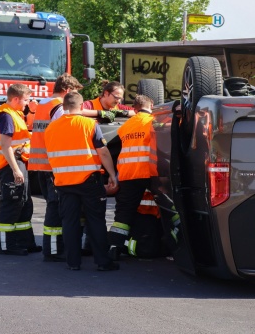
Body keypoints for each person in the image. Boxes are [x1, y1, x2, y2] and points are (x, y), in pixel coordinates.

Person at [44, 91, 119, 271]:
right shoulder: (88, 124)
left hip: (63, 181)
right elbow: (103, 152)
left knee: (69, 222)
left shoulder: (51, 128)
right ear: (82, 105)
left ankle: (73, 262)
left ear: (64, 106)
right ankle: (102, 261)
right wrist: (112, 175)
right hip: (88, 181)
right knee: (96, 220)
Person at [28, 74, 83, 262]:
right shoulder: (59, 107)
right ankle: (52, 250)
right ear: (67, 89)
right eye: (74, 92)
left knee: (52, 204)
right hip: (54, 165)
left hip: (40, 163)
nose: (74, 97)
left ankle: (52, 248)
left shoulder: (43, 104)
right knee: (55, 206)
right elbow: (67, 131)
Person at [107, 95, 158, 260]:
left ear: (134, 109)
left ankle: (114, 248)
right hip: (150, 172)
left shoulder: (125, 126)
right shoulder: (154, 121)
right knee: (170, 209)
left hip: (128, 174)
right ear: (151, 105)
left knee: (123, 214)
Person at [0, 83, 41, 256]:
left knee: (24, 202)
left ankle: (25, 242)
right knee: (11, 203)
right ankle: (7, 245)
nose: (27, 103)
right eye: (26, 100)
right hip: (10, 164)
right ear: (15, 99)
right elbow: (6, 146)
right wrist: (15, 169)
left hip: (19, 161)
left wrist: (33, 111)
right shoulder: (6, 115)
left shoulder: (15, 112)